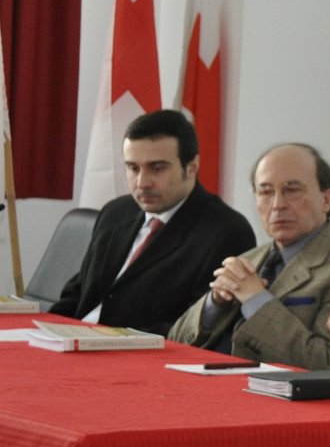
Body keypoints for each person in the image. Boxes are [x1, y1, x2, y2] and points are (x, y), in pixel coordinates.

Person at [170, 143, 330, 369]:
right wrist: (215, 303)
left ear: (327, 200)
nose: (278, 205)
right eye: (265, 192)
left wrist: (256, 301)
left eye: (292, 190)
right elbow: (176, 341)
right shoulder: (250, 258)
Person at [51, 109, 255, 334]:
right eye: (133, 168)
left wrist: (108, 339)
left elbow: (195, 327)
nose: (142, 182)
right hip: (76, 342)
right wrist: (40, 329)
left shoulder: (225, 232)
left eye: (157, 168)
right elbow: (78, 293)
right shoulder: (116, 212)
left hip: (137, 354)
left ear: (192, 167)